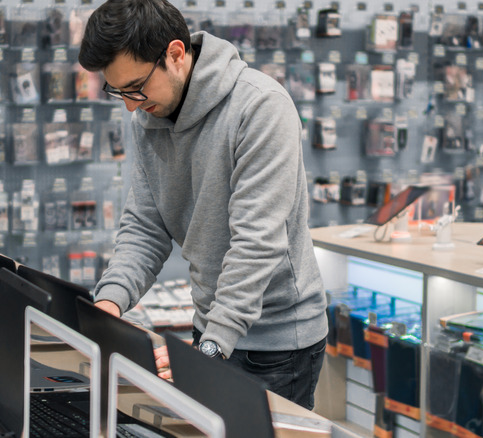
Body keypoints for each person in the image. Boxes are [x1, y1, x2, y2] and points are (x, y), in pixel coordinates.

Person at [78, 0, 328, 410]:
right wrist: (109, 303)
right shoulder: (150, 117)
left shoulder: (260, 107)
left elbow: (256, 243)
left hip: (277, 344)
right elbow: (144, 227)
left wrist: (209, 349)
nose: (129, 104)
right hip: (211, 330)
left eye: (135, 87)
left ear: (176, 54)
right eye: (117, 91)